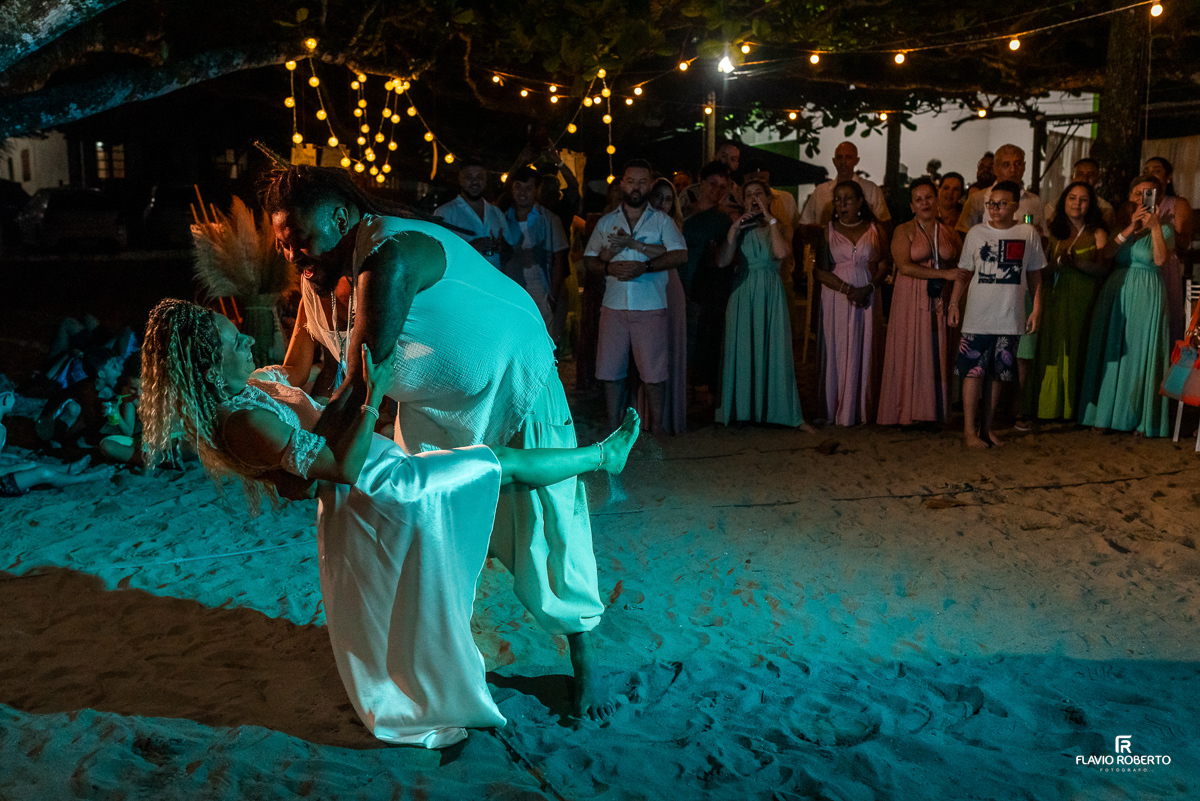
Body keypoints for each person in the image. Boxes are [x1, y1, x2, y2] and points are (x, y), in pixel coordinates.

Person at [139, 299, 641, 747]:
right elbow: (340, 469)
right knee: (498, 464)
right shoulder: (242, 423)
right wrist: (370, 396)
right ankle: (603, 456)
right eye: (233, 338)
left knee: (498, 471)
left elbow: (296, 363)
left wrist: (308, 294)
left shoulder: (255, 385)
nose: (247, 336)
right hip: (384, 492)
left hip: (381, 473)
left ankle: (598, 462)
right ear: (208, 364)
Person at [264, 164, 617, 721]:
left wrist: (299, 464)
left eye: (299, 239)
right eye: (283, 243)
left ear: (339, 217)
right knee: (424, 526)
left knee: (545, 530)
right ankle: (438, 654)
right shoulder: (317, 272)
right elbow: (298, 367)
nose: (292, 254)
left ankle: (585, 656)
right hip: (430, 399)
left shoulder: (390, 256)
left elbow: (358, 385)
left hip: (508, 379)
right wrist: (258, 416)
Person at [583, 159, 688, 436]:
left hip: (650, 304)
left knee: (654, 372)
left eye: (642, 182)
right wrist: (608, 267)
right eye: (631, 181)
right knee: (610, 371)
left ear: (650, 185)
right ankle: (612, 427)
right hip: (614, 305)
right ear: (622, 184)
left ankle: (659, 428)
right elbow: (589, 260)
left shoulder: (662, 221)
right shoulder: (607, 222)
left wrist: (647, 266)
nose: (636, 187)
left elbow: (680, 254)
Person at [949, 181, 1046, 448]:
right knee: (973, 373)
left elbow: (1035, 274)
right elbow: (964, 272)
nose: (995, 208)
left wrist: (1036, 308)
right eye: (991, 203)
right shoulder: (976, 233)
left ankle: (986, 429)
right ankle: (969, 431)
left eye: (1001, 204)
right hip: (978, 315)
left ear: (1015, 206)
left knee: (998, 374)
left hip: (1010, 315)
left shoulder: (1027, 233)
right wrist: (953, 303)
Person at [1078, 175, 1173, 437]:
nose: (1142, 198)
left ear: (1159, 198)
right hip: (1116, 292)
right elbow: (1107, 254)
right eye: (1138, 193)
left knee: (1139, 353)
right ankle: (1103, 414)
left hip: (1147, 293)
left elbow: (1160, 259)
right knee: (1111, 349)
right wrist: (1131, 227)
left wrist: (1154, 227)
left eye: (1149, 193)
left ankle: (1137, 418)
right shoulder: (1120, 227)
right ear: (1131, 197)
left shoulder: (1165, 229)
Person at [716, 179, 809, 429]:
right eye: (748, 195)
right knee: (745, 348)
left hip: (771, 289)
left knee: (775, 348)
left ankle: (777, 411)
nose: (754, 199)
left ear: (768, 198)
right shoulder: (738, 228)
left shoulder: (781, 226)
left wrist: (769, 217)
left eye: (759, 194)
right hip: (744, 291)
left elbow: (780, 253)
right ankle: (743, 409)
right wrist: (734, 229)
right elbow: (723, 261)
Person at [877, 178, 969, 426]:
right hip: (911, 297)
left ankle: (934, 411)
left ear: (936, 200)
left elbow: (963, 263)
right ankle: (907, 411)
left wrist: (955, 293)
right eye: (918, 199)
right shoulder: (903, 230)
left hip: (942, 296)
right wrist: (943, 274)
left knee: (937, 350)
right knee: (912, 349)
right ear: (912, 206)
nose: (925, 203)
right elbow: (905, 267)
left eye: (928, 197)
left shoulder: (948, 231)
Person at [1029, 181, 1109, 421]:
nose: (1077, 203)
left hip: (1085, 296)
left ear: (1091, 204)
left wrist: (1080, 264)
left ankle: (1076, 409)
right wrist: (1060, 264)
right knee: (1053, 347)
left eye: (1083, 199)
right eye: (1072, 198)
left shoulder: (1098, 232)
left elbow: (1104, 269)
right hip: (1056, 293)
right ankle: (1048, 407)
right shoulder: (1053, 231)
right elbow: (1039, 269)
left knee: (1079, 346)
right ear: (1064, 201)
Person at [815, 180, 889, 426]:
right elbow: (820, 271)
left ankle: (861, 408)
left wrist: (868, 288)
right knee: (839, 346)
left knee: (865, 345)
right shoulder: (828, 231)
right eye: (837, 199)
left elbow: (883, 264)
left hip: (867, 293)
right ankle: (837, 406)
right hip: (837, 295)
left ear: (859, 202)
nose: (842, 204)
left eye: (847, 199)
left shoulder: (875, 229)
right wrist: (848, 289)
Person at [631, 178, 688, 435]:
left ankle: (665, 419)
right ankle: (643, 416)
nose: (663, 204)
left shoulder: (672, 224)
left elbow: (669, 253)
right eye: (658, 198)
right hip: (645, 286)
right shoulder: (637, 221)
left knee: (669, 348)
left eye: (668, 199)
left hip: (670, 286)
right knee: (647, 351)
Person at [681, 162, 734, 399]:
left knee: (702, 334)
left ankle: (699, 385)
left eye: (723, 186)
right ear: (701, 183)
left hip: (708, 286)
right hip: (681, 276)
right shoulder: (684, 212)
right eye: (713, 184)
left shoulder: (724, 219)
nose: (717, 190)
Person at [502, 166, 569, 339]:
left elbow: (559, 258)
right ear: (512, 189)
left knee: (544, 343)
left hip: (541, 291)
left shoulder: (549, 219)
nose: (522, 193)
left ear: (536, 190)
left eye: (528, 188)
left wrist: (552, 297)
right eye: (518, 187)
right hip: (512, 291)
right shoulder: (502, 218)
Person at [1143, 156, 1192, 345]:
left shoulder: (1178, 204)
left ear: (1168, 177)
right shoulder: (1136, 203)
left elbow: (1183, 243)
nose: (1150, 174)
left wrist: (1160, 227)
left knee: (1165, 317)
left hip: (1166, 267)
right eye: (1146, 170)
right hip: (1142, 263)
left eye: (1156, 170)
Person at [799, 141, 892, 238]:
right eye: (839, 157)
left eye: (848, 157)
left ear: (856, 160)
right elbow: (804, 226)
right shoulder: (821, 191)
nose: (843, 161)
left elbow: (885, 226)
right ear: (834, 161)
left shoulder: (870, 189)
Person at [35, 346, 123, 449]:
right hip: (44, 428)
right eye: (114, 367)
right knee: (73, 408)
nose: (119, 371)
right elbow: (91, 420)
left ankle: (66, 441)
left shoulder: (99, 388)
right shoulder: (85, 390)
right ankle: (54, 442)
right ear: (101, 374)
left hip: (61, 425)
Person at [434, 157, 509, 270]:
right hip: (464, 283)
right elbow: (437, 254)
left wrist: (502, 247)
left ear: (485, 180)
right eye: (469, 177)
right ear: (460, 179)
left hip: (494, 283)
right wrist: (472, 247)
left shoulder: (496, 212)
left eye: (479, 177)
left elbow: (510, 252)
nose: (475, 182)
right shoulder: (445, 212)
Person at [956, 144, 1045, 235]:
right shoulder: (978, 199)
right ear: (995, 168)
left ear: (1024, 166)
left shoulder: (1034, 201)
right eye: (1006, 165)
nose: (1013, 170)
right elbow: (962, 235)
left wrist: (1037, 236)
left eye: (1018, 164)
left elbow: (1046, 239)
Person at [1045, 158, 1115, 230]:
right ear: (1072, 178)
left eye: (1090, 175)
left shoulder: (1105, 208)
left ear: (1098, 178)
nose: (1084, 179)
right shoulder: (1052, 207)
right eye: (1080, 174)